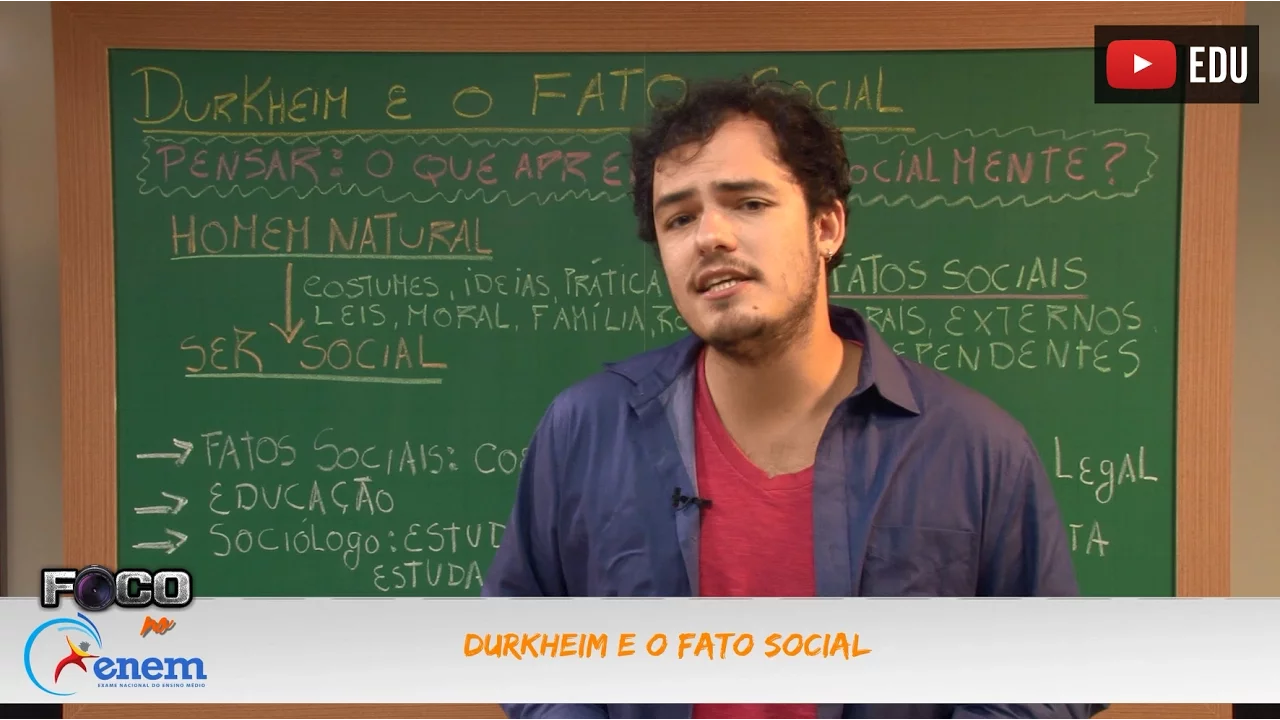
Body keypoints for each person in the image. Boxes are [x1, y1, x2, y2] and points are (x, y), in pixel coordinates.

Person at [484, 76, 1108, 720]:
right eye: (679, 218)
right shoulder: (586, 430)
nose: (710, 236)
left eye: (749, 203)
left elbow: (1050, 674)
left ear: (826, 226)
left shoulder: (973, 444)